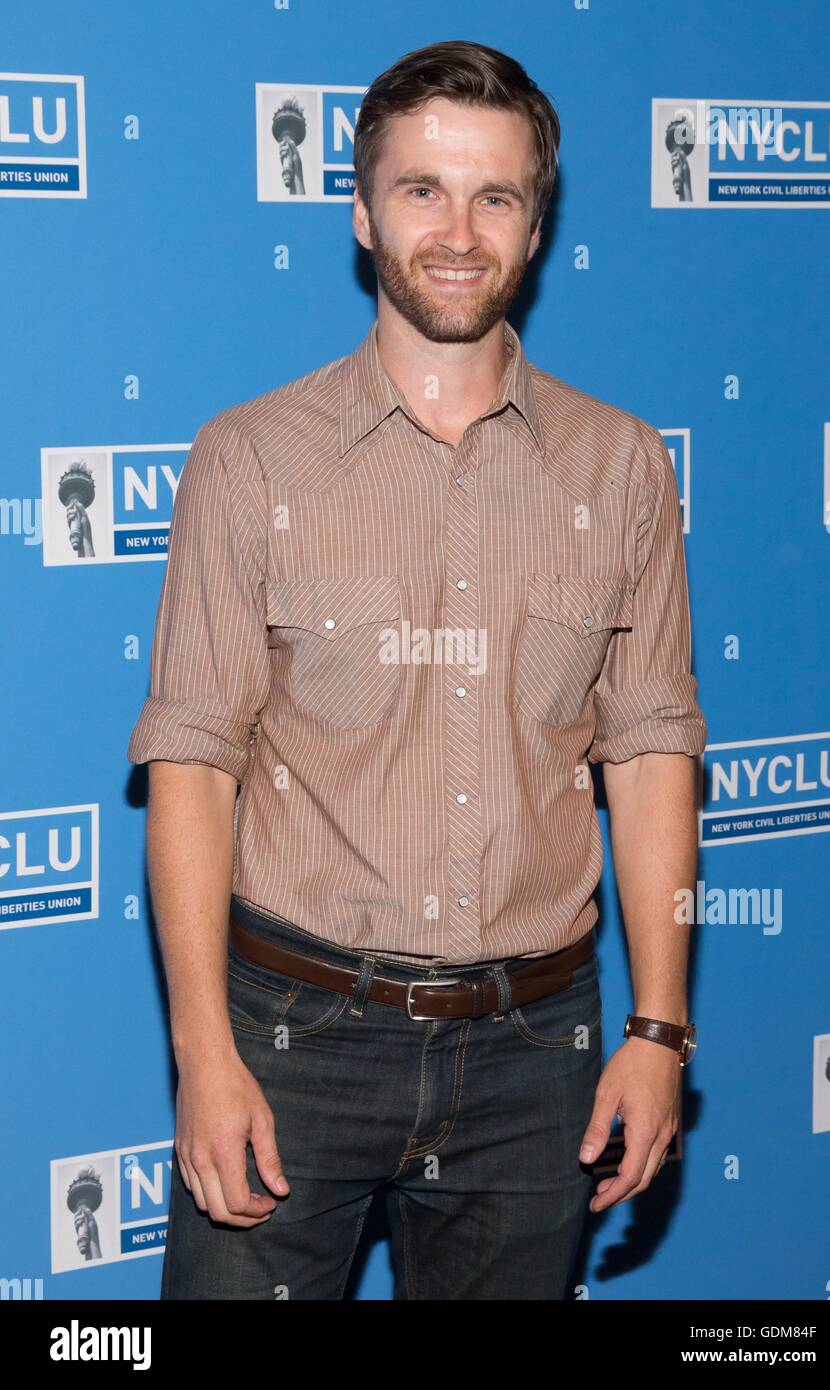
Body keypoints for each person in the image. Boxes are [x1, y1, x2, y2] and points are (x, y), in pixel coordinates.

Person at [128, 39, 707, 1301]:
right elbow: (191, 764)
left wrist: (657, 1031)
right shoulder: (250, 460)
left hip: (532, 1050)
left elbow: (652, 749)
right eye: (421, 189)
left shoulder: (619, 468)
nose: (457, 229)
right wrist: (203, 1057)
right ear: (359, 208)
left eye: (494, 196)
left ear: (537, 224)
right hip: (292, 1035)